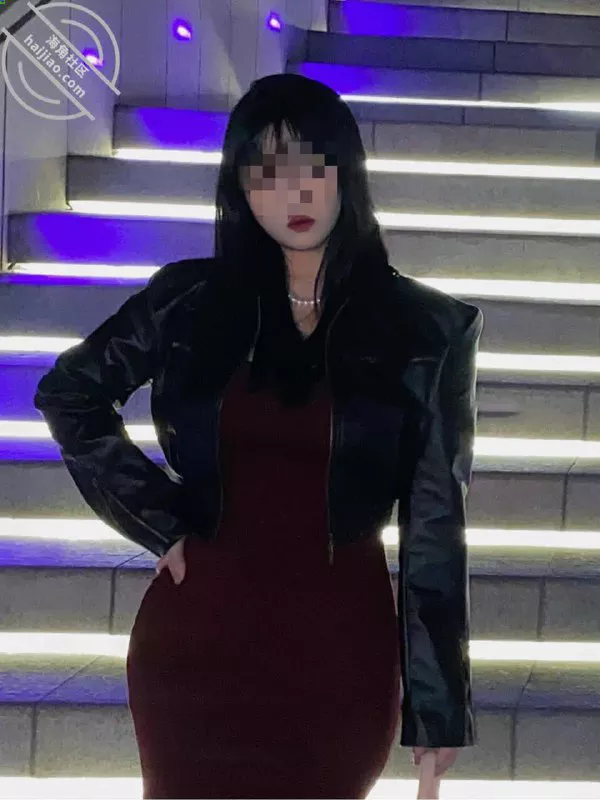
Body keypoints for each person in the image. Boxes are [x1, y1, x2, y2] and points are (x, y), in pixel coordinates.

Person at [33, 73, 483, 799]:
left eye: (311, 166)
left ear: (347, 171)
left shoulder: (427, 331)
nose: (291, 193)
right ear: (240, 190)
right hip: (198, 643)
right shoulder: (189, 301)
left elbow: (435, 525)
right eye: (265, 173)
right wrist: (161, 522)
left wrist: (437, 708)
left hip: (339, 653)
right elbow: (70, 392)